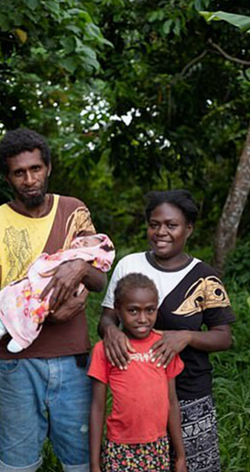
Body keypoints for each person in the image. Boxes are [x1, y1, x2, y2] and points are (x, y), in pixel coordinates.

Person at [0, 128, 108, 472]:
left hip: (73, 359)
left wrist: (76, 267)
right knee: (18, 464)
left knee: (81, 462)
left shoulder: (73, 211)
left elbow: (99, 276)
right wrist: (41, 310)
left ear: (48, 168)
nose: (29, 179)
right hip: (17, 365)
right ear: (8, 177)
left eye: (35, 169)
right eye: (19, 172)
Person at [98, 190, 235, 472]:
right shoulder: (129, 265)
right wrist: (110, 331)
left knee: (193, 465)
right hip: (139, 400)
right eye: (154, 224)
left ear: (189, 229)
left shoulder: (205, 277)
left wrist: (186, 336)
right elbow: (107, 319)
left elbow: (223, 336)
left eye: (171, 225)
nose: (161, 232)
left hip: (189, 394)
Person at [89, 273, 186, 472]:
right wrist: (94, 463)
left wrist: (180, 456)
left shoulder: (164, 346)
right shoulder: (106, 349)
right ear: (117, 310)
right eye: (133, 311)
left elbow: (172, 401)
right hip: (119, 447)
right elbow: (97, 407)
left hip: (158, 446)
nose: (142, 319)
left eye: (150, 310)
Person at [0, 234, 114, 353]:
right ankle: (3, 324)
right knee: (14, 291)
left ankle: (21, 337)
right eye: (82, 240)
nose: (81, 242)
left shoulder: (86, 259)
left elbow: (99, 283)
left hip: (49, 293)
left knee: (36, 308)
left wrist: (82, 268)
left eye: (85, 243)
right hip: (36, 281)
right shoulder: (69, 251)